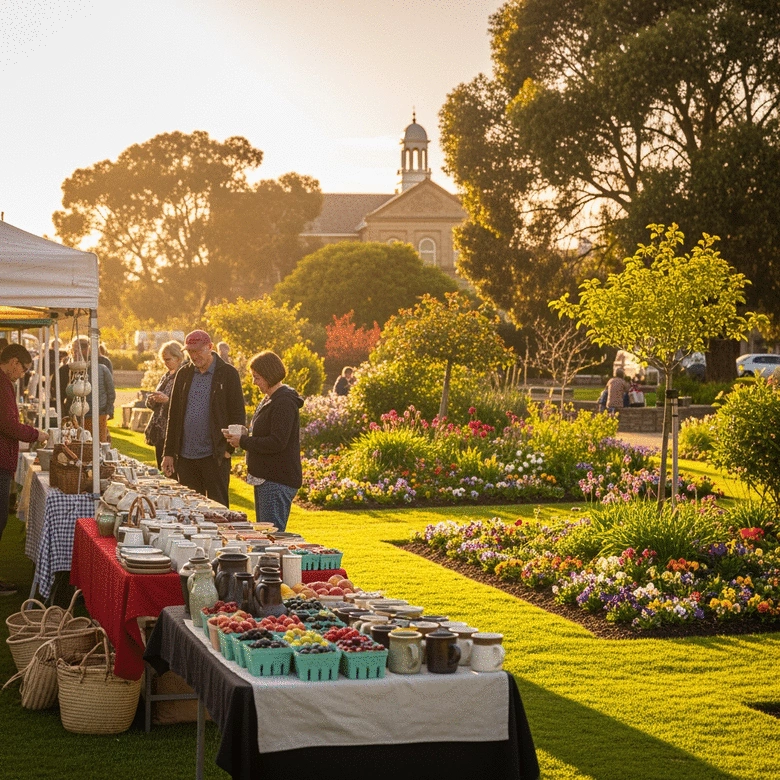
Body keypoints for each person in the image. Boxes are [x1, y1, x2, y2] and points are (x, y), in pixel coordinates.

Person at [161, 330, 245, 507]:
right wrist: (168, 453)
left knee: (218, 509)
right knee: (189, 510)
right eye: (190, 351)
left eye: (198, 350)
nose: (194, 355)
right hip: (185, 456)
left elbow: (237, 414)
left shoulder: (228, 374)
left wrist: (228, 449)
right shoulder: (184, 374)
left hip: (214, 455)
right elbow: (174, 415)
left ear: (210, 347)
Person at [224, 350, 303, 531]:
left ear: (269, 375)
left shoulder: (283, 402)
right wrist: (244, 434)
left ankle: (273, 561)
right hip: (267, 478)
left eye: (257, 377)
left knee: (270, 536)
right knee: (265, 533)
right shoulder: (271, 399)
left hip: (276, 479)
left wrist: (243, 441)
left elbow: (277, 442)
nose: (254, 382)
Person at [0, 344, 49, 595]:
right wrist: (35, 434)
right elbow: (8, 424)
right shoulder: (2, 383)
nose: (22, 375)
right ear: (14, 362)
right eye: (23, 370)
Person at [145, 340, 185, 469]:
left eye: (168, 359)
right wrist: (152, 399)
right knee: (161, 467)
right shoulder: (166, 376)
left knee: (172, 469)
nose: (165, 363)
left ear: (178, 358)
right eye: (163, 360)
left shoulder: (184, 375)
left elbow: (184, 403)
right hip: (159, 430)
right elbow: (154, 404)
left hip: (172, 430)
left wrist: (167, 401)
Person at [69, 337, 116, 443]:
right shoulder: (70, 370)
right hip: (78, 416)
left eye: (82, 348)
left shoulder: (102, 369)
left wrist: (108, 411)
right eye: (76, 350)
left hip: (99, 414)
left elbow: (111, 392)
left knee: (98, 445)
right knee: (81, 446)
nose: (79, 353)